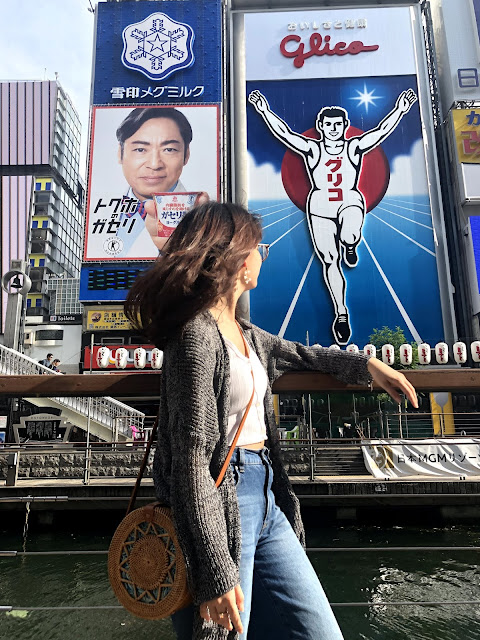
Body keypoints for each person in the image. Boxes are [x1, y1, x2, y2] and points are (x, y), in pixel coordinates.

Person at [124, 201, 418, 640]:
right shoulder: (196, 336)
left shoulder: (244, 333)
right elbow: (190, 466)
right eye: (259, 246)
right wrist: (214, 573)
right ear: (239, 260)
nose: (263, 253)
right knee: (221, 634)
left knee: (319, 632)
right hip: (221, 502)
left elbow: (303, 355)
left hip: (267, 499)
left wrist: (369, 366)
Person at [248, 89, 417, 346]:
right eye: (329, 125)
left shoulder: (354, 147)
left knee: (350, 233)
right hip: (320, 207)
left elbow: (381, 131)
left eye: (338, 124)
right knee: (329, 260)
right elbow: (285, 134)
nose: (333, 129)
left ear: (345, 126)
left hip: (349, 200)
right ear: (321, 126)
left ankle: (350, 244)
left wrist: (400, 110)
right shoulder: (313, 150)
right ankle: (340, 313)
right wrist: (264, 110)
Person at [114, 107, 208, 255]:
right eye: (140, 149)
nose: (154, 164)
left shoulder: (202, 214)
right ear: (120, 153)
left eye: (169, 149)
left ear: (186, 155)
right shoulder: (98, 211)